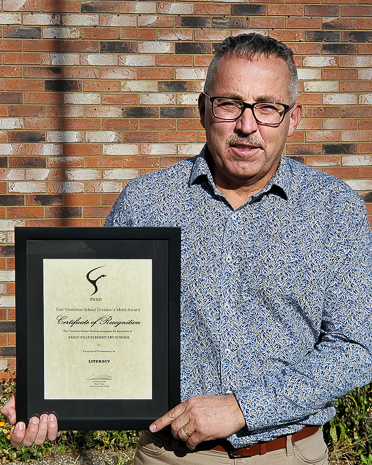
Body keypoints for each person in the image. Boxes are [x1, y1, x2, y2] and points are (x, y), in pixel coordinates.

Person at [2, 33, 372, 464]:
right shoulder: (145, 202)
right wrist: (55, 399)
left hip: (291, 453)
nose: (247, 126)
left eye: (268, 107)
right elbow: (98, 323)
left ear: (294, 118)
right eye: (229, 104)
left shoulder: (334, 209)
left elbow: (356, 347)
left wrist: (241, 408)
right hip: (170, 455)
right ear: (203, 110)